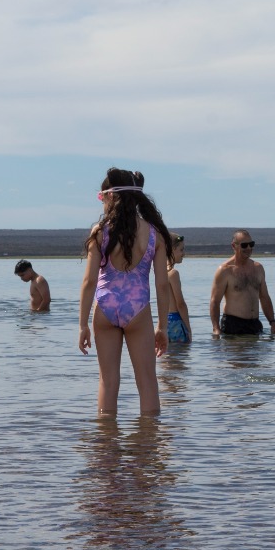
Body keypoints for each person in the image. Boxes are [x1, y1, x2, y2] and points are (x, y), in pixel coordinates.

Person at [77, 168, 175, 417]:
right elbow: (162, 285)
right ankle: (148, 445)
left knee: (108, 382)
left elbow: (89, 281)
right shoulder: (154, 234)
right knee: (147, 382)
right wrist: (162, 326)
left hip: (105, 306)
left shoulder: (100, 232)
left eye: (102, 197)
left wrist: (82, 325)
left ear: (111, 197)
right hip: (138, 309)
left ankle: (106, 449)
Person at [209, 230, 275, 336]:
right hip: (233, 324)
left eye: (251, 244)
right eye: (244, 245)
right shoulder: (225, 270)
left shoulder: (258, 268)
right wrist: (216, 328)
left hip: (254, 324)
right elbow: (215, 301)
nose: (249, 248)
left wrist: (272, 323)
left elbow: (264, 297)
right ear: (234, 246)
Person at [164, 234, 192, 344]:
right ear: (172, 250)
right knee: (180, 358)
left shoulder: (161, 273)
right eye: (181, 250)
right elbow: (180, 304)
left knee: (168, 357)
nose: (183, 254)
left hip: (166, 321)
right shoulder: (173, 273)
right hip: (176, 321)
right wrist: (188, 329)